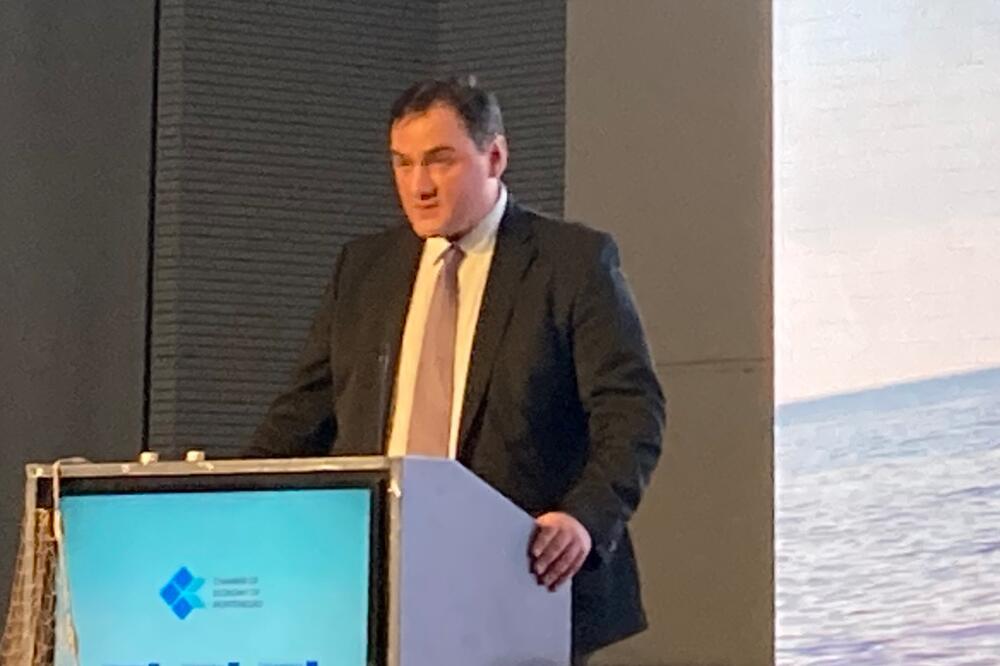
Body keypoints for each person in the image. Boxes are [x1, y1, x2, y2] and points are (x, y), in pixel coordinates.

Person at [245, 76, 665, 664]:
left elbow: (631, 413)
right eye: (403, 163)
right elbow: (303, 414)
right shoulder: (364, 269)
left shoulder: (571, 262)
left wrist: (583, 518)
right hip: (378, 579)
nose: (419, 185)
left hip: (524, 578)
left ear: (495, 157)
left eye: (440, 160)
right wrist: (231, 501)